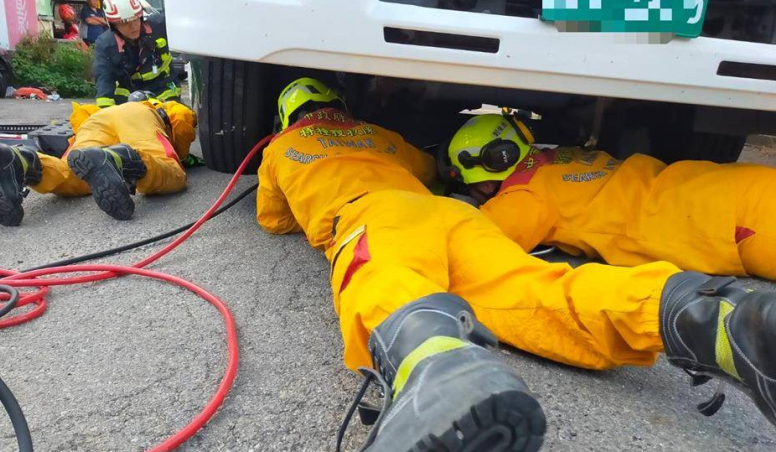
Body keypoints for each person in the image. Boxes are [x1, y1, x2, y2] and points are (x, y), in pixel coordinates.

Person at [256, 78, 776, 451]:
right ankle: (711, 317)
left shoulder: (279, 149)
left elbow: (272, 220)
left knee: (384, 275)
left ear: (287, 117)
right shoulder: (383, 137)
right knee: (541, 290)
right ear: (339, 105)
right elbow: (425, 168)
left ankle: (435, 371)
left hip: (374, 215)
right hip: (452, 216)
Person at [445, 113, 776, 281]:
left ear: (484, 179)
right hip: (742, 182)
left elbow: (471, 244)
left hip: (737, 225)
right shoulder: (562, 156)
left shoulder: (526, 197)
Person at [0, 96, 196, 226]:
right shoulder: (156, 105)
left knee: (72, 173)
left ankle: (20, 159)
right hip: (136, 118)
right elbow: (184, 121)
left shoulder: (98, 110)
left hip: (94, 121)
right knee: (170, 172)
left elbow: (77, 125)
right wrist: (180, 152)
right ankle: (123, 160)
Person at [92, 0, 180, 108]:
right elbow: (104, 79)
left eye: (136, 20)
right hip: (129, 102)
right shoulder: (106, 44)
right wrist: (106, 113)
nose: (133, 27)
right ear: (113, 26)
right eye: (125, 22)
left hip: (165, 95)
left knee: (180, 118)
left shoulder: (160, 26)